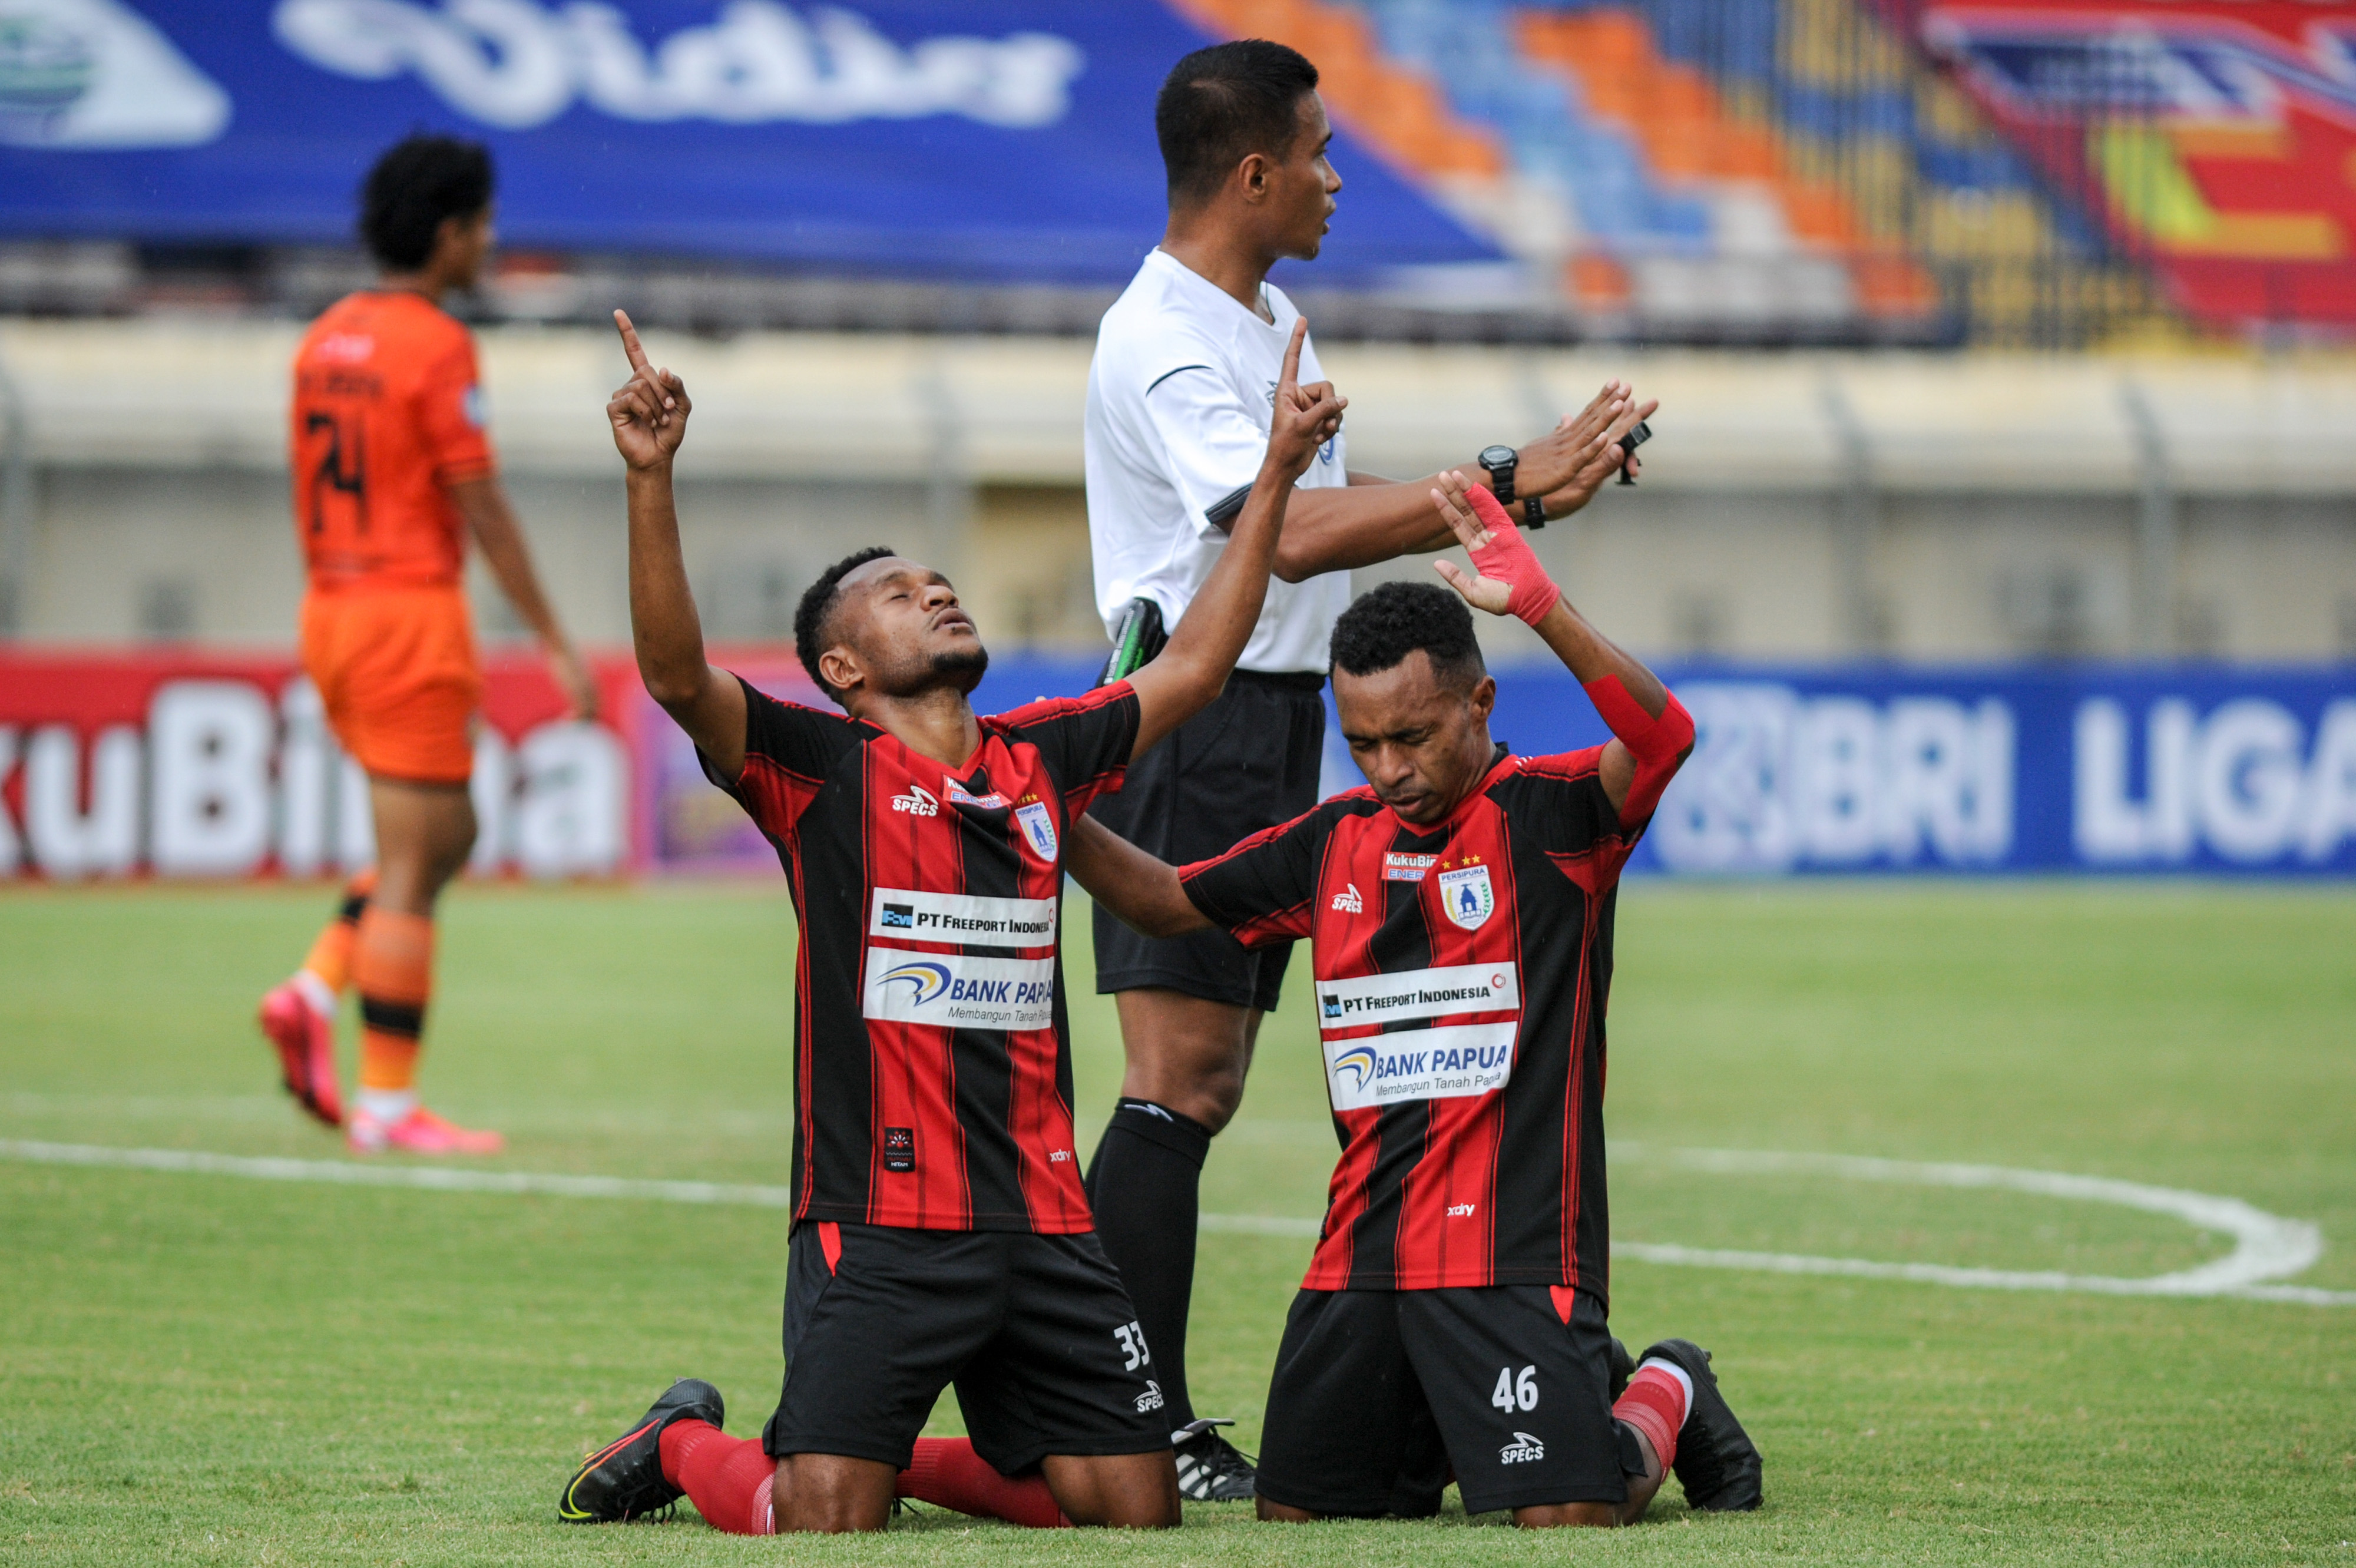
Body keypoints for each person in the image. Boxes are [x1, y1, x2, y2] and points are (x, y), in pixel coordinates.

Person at [558, 310, 1343, 1534]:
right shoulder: (817, 770)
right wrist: (649, 478)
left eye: (938, 583)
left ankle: (887, 1458)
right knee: (826, 1518)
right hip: (881, 1221)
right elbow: (674, 677)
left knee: (1131, 1510)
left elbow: (1194, 667)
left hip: (1043, 1217)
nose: (933, 591)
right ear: (843, 671)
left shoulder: (1040, 756)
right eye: (895, 594)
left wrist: (1279, 476)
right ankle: (684, 1441)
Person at [1083, 37, 1657, 1498]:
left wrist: (1500, 499)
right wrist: (1496, 483)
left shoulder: (1267, 316)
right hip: (1193, 713)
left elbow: (1329, 517)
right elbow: (1274, 533)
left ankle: (1457, 1353)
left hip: (1282, 715)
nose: (1337, 177)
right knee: (1178, 1079)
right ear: (1253, 173)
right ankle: (1133, 1424)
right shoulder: (1160, 335)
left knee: (1242, 1072)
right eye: (1320, 152)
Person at [1064, 477, 1763, 1525]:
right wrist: (1047, 807)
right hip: (1364, 1256)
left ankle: (1667, 1384)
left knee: (1569, 1515)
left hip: (1515, 1254)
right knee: (1298, 1516)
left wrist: (1543, 607)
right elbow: (1165, 902)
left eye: (1415, 735)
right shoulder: (1332, 840)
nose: (1390, 768)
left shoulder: (1556, 818)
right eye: (1364, 743)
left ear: (1480, 704)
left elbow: (1665, 739)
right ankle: (1477, 1416)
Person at [256, 135, 594, 1156]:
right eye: (483, 225)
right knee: (418, 860)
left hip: (332, 607)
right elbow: (483, 507)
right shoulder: (436, 344)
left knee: (443, 838)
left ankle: (316, 986)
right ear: (449, 232)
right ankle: (387, 1103)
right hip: (409, 614)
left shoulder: (325, 338)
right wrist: (554, 639)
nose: (489, 242)